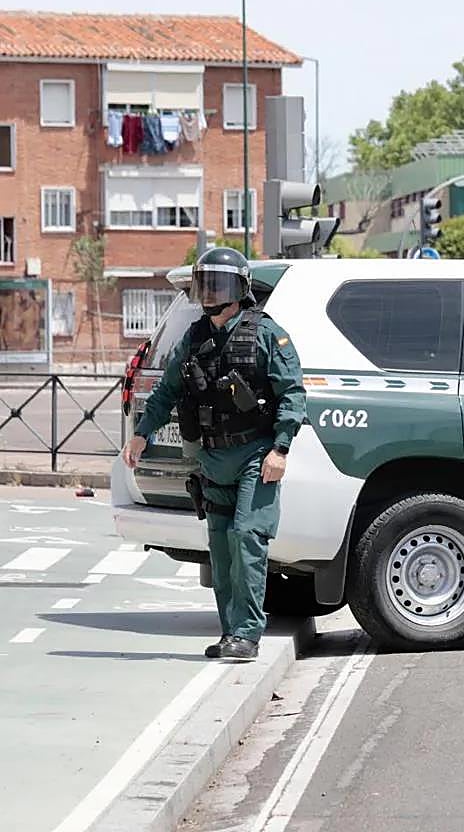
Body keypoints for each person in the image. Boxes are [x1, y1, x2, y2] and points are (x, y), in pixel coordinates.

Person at [120, 247, 306, 661]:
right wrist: (141, 434)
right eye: (205, 284)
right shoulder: (195, 337)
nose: (209, 294)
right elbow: (167, 389)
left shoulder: (265, 334)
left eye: (218, 284)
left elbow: (292, 393)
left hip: (256, 455)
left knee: (246, 538)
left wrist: (280, 448)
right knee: (220, 549)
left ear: (239, 290)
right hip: (211, 460)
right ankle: (231, 634)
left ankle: (247, 633)